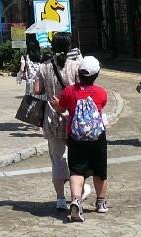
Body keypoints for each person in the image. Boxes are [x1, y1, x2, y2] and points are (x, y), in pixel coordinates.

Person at [52, 55, 109, 222]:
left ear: (79, 73)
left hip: (76, 137)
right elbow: (101, 106)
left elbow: (62, 109)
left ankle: (76, 200)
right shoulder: (101, 92)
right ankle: (101, 203)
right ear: (96, 74)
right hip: (97, 137)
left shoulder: (69, 91)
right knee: (100, 170)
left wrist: (56, 105)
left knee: (76, 171)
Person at [34, 32, 80, 211]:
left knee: (57, 158)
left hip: (52, 117)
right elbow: (81, 90)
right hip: (73, 117)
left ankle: (60, 198)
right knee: (77, 158)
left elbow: (37, 90)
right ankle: (77, 194)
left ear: (52, 47)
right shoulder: (76, 66)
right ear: (69, 48)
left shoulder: (43, 67)